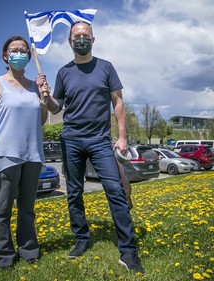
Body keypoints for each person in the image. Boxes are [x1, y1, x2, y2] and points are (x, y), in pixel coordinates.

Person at [44, 21, 144, 274]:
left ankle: (128, 251)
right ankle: (82, 239)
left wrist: (122, 137)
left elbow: (118, 103)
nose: (81, 39)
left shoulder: (106, 67)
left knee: (115, 191)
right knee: (74, 193)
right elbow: (57, 108)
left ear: (93, 39)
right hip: (71, 140)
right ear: (69, 41)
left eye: (85, 35)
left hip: (100, 141)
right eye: (76, 36)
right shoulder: (63, 72)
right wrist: (46, 99)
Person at [0, 36, 50, 269]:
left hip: (32, 156)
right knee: (3, 209)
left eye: (23, 50)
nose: (19, 53)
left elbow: (42, 121)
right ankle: (4, 257)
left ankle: (29, 251)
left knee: (27, 209)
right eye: (14, 50)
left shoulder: (34, 86)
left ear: (29, 55)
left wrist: (44, 99)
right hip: (5, 155)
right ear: (5, 56)